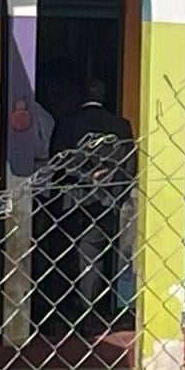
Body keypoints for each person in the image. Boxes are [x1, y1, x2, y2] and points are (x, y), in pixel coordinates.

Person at [41, 77, 135, 326]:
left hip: (70, 201)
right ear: (104, 96)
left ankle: (57, 315)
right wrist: (115, 197)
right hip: (104, 203)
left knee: (62, 256)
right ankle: (87, 314)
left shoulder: (67, 123)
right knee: (93, 259)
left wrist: (83, 177)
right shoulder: (121, 125)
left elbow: (57, 161)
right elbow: (129, 168)